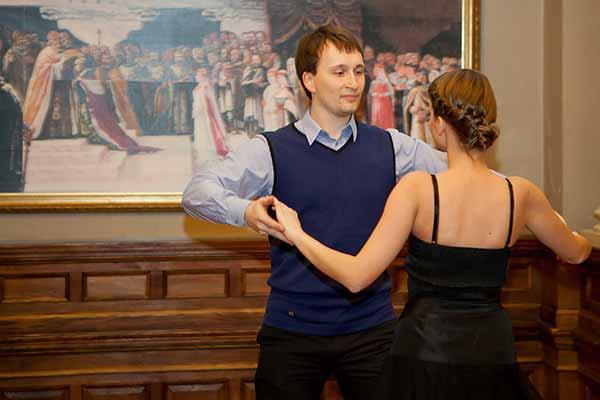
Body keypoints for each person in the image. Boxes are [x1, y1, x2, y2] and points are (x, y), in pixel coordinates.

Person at [272, 69, 592, 399]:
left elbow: (356, 277)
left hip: (423, 354)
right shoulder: (521, 194)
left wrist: (297, 234)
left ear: (439, 124)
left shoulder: (418, 190)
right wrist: (563, 227)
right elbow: (578, 252)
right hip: (491, 355)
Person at [182, 24, 446, 400]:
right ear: (309, 80)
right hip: (291, 332)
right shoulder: (269, 149)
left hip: (372, 331)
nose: (353, 82)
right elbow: (196, 192)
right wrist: (246, 212)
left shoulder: (392, 146)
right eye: (339, 72)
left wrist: (517, 194)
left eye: (358, 71)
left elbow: (464, 177)